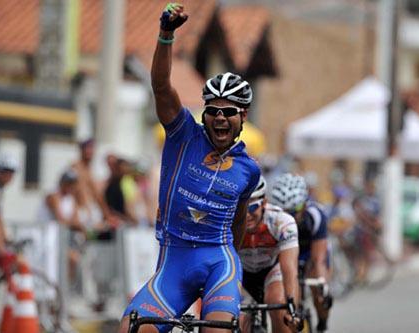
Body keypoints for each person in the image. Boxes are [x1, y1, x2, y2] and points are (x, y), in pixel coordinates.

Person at [118, 3, 261, 333]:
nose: (221, 118)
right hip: (174, 262)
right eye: (213, 111)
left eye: (229, 111)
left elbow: (239, 218)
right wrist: (166, 35)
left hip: (219, 262)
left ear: (244, 117)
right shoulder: (183, 134)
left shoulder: (248, 169)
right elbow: (160, 86)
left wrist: (234, 265)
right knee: (131, 329)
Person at [270, 173, 332, 333]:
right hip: (284, 254)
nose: (289, 218)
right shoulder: (270, 218)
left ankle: (322, 321)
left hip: (310, 253)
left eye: (294, 211)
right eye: (284, 212)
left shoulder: (316, 216)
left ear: (304, 205)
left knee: (319, 292)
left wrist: (322, 285)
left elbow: (319, 260)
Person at [239, 176, 300, 333]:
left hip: (271, 271)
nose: (247, 216)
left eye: (252, 208)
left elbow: (289, 269)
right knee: (237, 318)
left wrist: (291, 307)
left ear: (264, 203)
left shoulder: (281, 221)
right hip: (241, 272)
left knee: (278, 305)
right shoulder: (229, 223)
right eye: (241, 209)